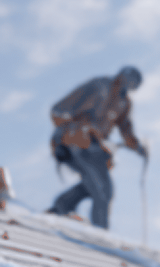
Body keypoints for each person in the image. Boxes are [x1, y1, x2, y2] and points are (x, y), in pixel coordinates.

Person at [46, 66, 146, 229]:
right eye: (130, 81)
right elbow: (59, 109)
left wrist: (137, 146)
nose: (130, 86)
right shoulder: (99, 86)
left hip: (94, 146)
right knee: (103, 189)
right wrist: (60, 138)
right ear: (122, 76)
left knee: (93, 184)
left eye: (134, 85)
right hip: (74, 140)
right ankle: (100, 232)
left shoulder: (124, 102)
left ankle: (62, 206)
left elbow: (125, 128)